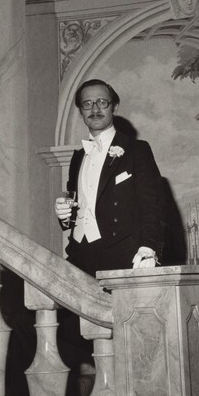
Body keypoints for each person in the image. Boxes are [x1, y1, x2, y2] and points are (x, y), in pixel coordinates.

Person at [54, 79, 164, 276]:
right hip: (79, 255)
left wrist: (148, 247)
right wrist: (64, 215)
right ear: (80, 112)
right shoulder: (77, 157)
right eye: (87, 103)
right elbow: (77, 208)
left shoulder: (137, 150)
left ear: (114, 107)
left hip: (122, 256)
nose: (95, 109)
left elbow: (151, 204)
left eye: (102, 102)